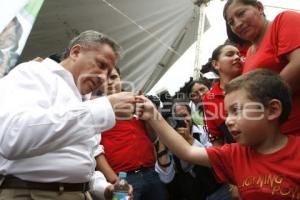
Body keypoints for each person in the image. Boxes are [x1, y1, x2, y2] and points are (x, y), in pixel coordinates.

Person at [0, 30, 136, 200]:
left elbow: (79, 162)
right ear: (76, 52)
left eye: (109, 74)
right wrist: (103, 108)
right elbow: (13, 138)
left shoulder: (84, 101)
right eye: (101, 65)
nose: (103, 78)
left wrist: (104, 189)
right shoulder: (33, 73)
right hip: (36, 194)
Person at [137, 69, 300, 200]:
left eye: (236, 110)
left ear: (272, 110)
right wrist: (153, 116)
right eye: (227, 113)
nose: (228, 121)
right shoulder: (234, 154)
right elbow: (187, 151)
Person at [223, 0, 300, 136]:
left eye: (241, 14)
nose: (237, 24)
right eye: (231, 22)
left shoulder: (284, 20)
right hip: (277, 139)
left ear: (259, 7)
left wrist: (254, 104)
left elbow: (298, 63)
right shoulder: (249, 54)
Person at [96, 67, 167, 200]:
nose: (110, 82)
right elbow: (94, 150)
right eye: (104, 79)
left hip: (151, 173)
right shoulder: (94, 109)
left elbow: (152, 138)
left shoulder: (135, 102)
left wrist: (147, 118)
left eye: (113, 77)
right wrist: (115, 181)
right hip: (122, 179)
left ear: (120, 79)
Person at [155, 101, 232, 200]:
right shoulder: (167, 142)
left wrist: (190, 139)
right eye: (176, 118)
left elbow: (215, 160)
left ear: (191, 115)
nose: (182, 120)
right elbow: (166, 178)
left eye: (184, 115)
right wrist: (163, 138)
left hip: (218, 190)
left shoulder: (202, 131)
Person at [202, 44, 243, 146]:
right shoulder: (209, 98)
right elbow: (216, 137)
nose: (237, 57)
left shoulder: (253, 82)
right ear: (216, 64)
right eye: (230, 55)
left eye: (239, 54)